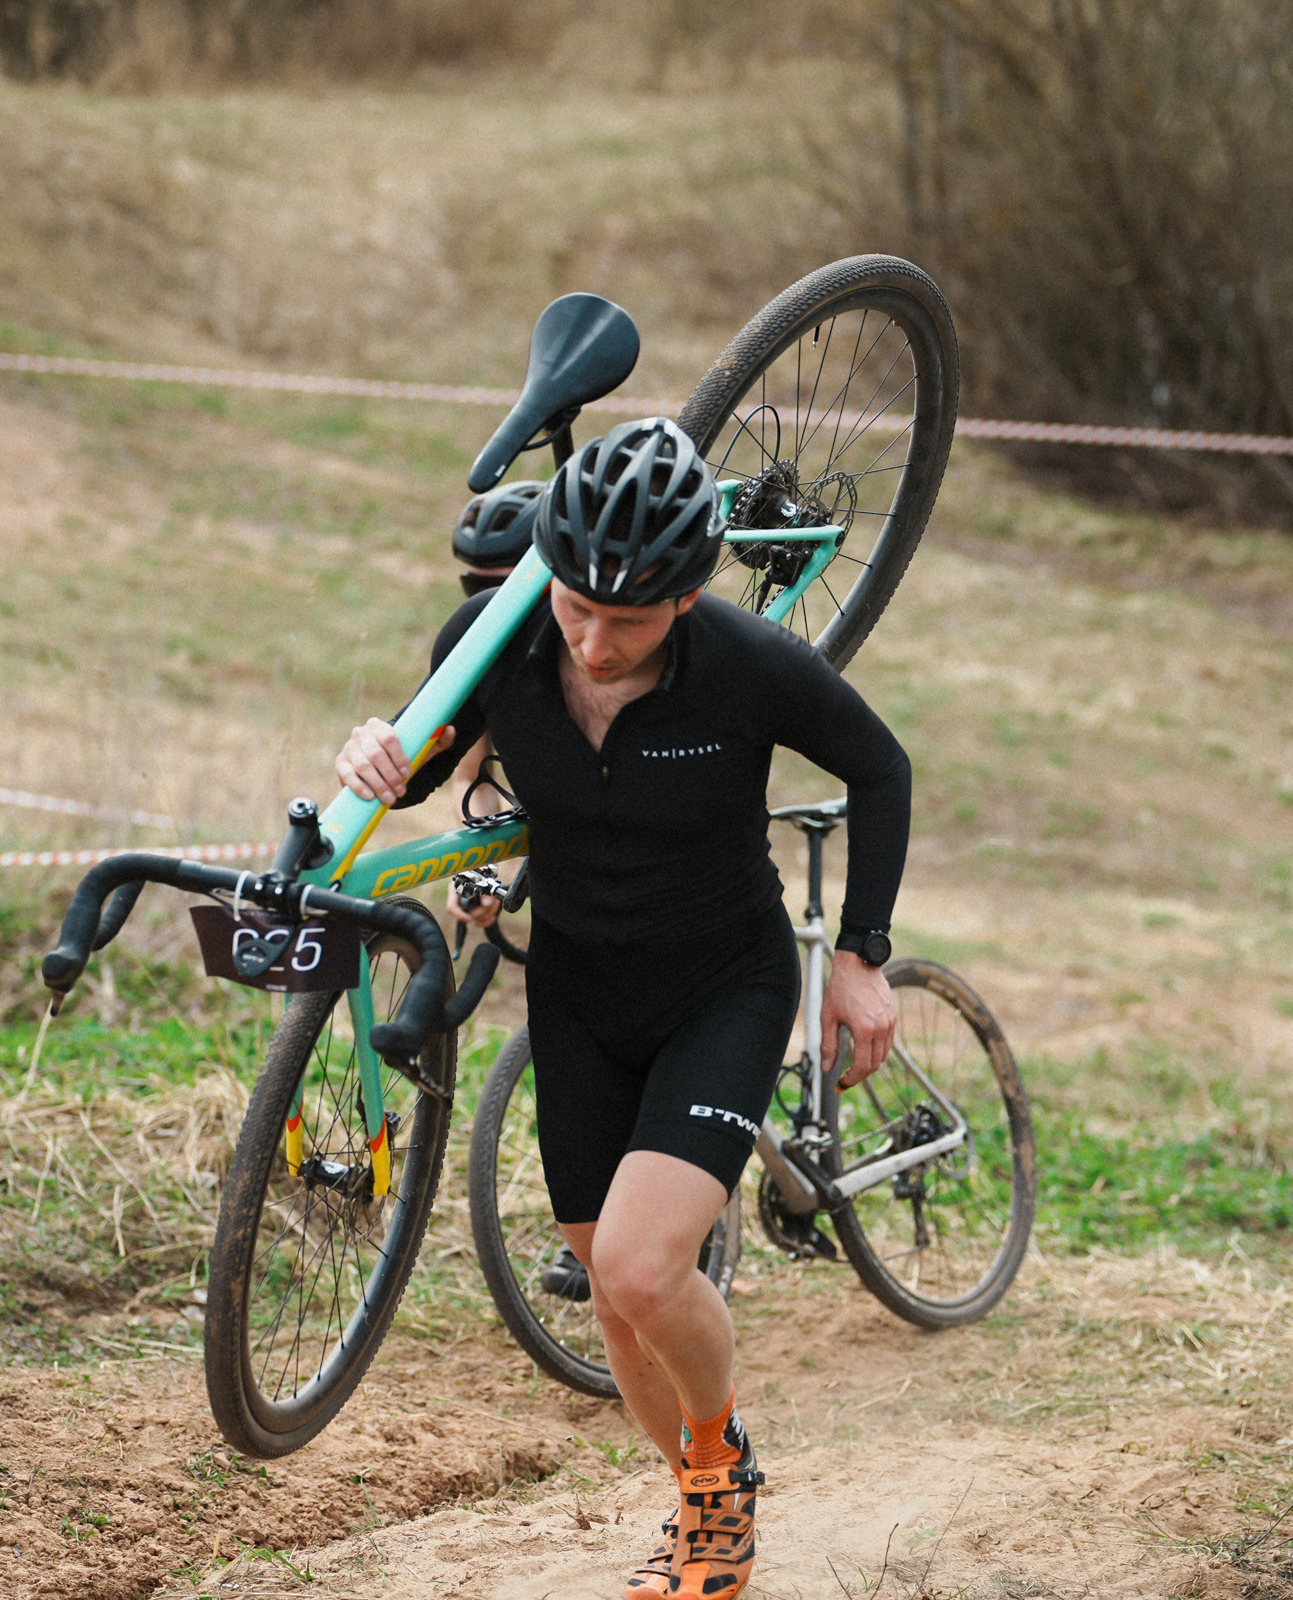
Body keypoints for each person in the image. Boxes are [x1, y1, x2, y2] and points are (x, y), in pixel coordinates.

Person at [337, 417, 910, 1600]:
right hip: (582, 992)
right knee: (611, 1293)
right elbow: (422, 761)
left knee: (649, 1270)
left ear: (690, 596)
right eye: (577, 610)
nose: (594, 645)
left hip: (724, 984)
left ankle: (722, 1469)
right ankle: (702, 1484)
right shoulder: (495, 640)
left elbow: (881, 768)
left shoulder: (746, 665)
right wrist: (375, 756)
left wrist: (860, 956)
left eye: (630, 621)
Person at [446, 480, 541, 824]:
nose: (485, 603)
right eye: (474, 587)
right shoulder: (478, 654)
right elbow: (470, 777)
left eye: (501, 587)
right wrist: (476, 870)